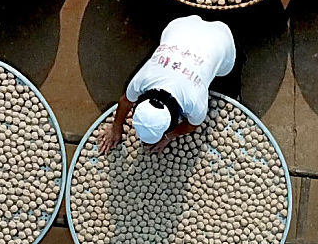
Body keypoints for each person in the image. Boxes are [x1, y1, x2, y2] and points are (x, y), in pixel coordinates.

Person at [98, 16, 236, 154]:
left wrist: (168, 137)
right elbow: (126, 101)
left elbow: (192, 125)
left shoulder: (195, 103)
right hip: (180, 27)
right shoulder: (142, 80)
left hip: (221, 38)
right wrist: (116, 127)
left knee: (222, 72)